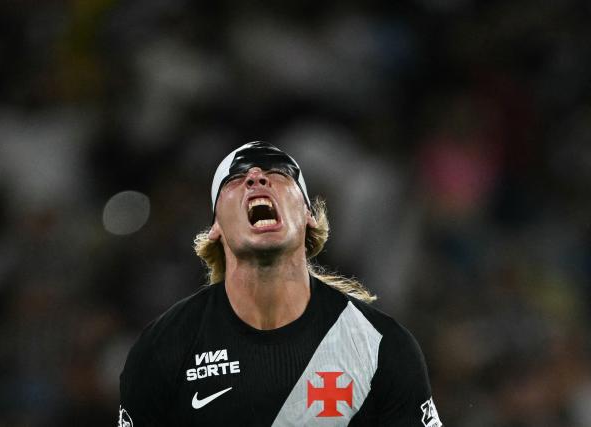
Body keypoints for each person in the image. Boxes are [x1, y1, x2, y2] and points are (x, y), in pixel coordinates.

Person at [118, 141, 442, 426]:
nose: (256, 177)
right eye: (235, 179)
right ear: (215, 226)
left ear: (308, 215)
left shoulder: (381, 346)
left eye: (279, 173)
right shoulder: (165, 347)